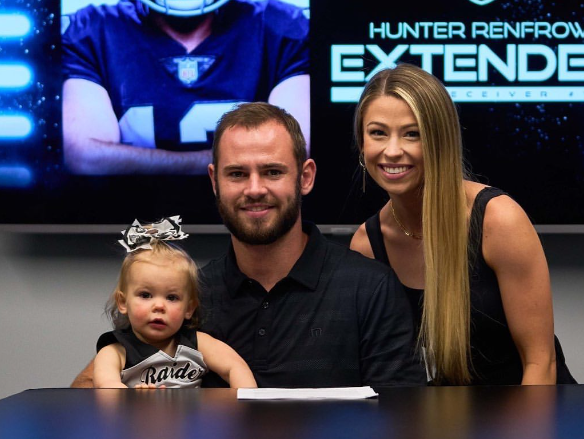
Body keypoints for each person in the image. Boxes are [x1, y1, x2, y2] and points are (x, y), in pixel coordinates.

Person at [72, 102, 425, 388]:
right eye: (237, 174)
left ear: (305, 177)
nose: (254, 189)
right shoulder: (186, 294)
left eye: (272, 172)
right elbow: (88, 387)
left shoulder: (371, 288)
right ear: (215, 181)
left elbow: (403, 420)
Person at [350, 63, 576, 386]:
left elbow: (541, 363)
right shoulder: (367, 244)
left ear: (439, 141)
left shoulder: (497, 219)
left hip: (532, 417)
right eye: (378, 133)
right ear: (362, 143)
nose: (393, 151)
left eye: (412, 134)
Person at [62, 0, 309, 175]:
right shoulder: (91, 32)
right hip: (131, 219)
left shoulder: (280, 28)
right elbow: (85, 157)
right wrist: (233, 166)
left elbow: (294, 150)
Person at [94, 216, 257, 389]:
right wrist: (131, 398)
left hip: (191, 415)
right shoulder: (115, 351)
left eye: (171, 298)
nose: (159, 306)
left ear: (189, 308)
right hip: (136, 414)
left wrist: (247, 406)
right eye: (146, 295)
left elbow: (235, 366)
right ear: (123, 302)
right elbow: (106, 386)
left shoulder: (197, 343)